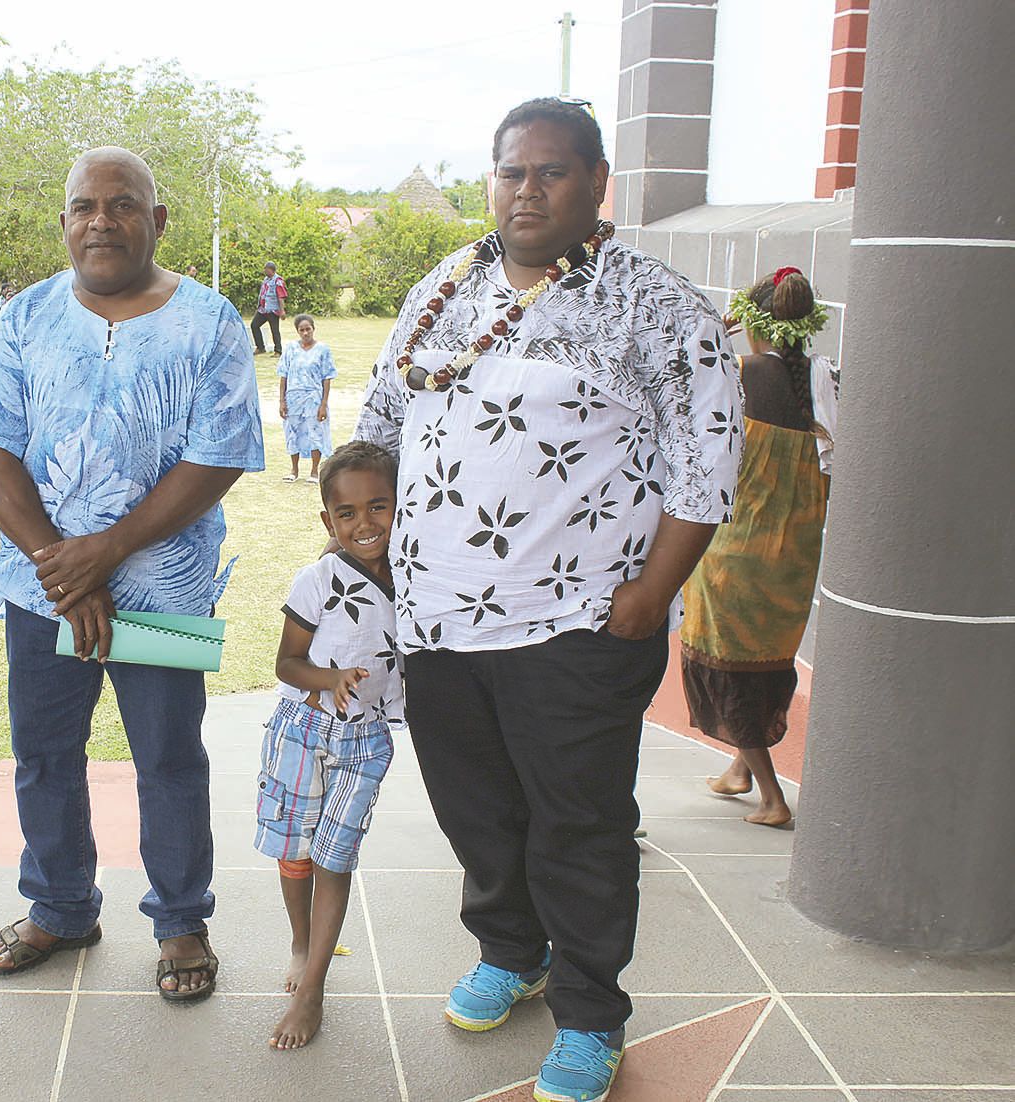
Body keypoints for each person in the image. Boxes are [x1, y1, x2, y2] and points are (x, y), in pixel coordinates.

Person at [352, 98, 742, 1101]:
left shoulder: (656, 305)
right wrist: (373, 552)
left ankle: (590, 1013)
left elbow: (707, 464)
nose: (527, 190)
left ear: (596, 183)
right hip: (439, 614)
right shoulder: (445, 284)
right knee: (478, 810)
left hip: (575, 621)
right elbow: (385, 419)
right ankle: (511, 950)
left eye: (552, 171)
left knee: (579, 826)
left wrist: (651, 594)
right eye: (510, 171)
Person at [0, 146, 263, 1002]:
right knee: (44, 753)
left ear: (156, 221)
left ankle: (180, 920)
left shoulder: (210, 321)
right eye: (84, 206)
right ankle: (58, 907)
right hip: (41, 587)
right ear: (64, 223)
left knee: (168, 755)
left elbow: (217, 456)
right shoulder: (24, 317)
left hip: (165, 585)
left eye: (121, 204)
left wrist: (110, 550)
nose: (101, 220)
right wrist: (69, 570)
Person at [259, 440, 402, 1050]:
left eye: (379, 507)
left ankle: (313, 986)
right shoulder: (317, 580)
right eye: (347, 514)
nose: (364, 524)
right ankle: (301, 942)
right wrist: (329, 678)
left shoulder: (423, 576)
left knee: (333, 858)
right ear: (328, 520)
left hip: (365, 742)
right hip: (301, 729)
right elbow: (287, 663)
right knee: (295, 853)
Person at [684, 268, 838, 829]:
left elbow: (680, 376)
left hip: (736, 554)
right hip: (793, 561)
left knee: (727, 667)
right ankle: (739, 771)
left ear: (752, 322)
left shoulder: (740, 373)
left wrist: (719, 330)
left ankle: (773, 799)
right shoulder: (823, 378)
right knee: (760, 664)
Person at [277, 313, 336, 483]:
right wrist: (282, 401)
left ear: (313, 329)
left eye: (308, 329)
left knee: (315, 432)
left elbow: (327, 377)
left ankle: (314, 471)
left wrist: (323, 404)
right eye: (301, 330)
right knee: (292, 432)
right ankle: (294, 470)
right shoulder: (290, 349)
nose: (305, 333)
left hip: (313, 398)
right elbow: (283, 375)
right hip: (293, 397)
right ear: (297, 331)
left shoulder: (323, 350)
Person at [252, 261, 287, 355]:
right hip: (263, 310)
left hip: (273, 310)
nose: (264, 271)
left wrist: (282, 310)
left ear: (271, 270)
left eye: (266, 269)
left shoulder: (278, 281)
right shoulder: (266, 279)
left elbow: (281, 296)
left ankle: (278, 351)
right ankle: (260, 347)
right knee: (254, 325)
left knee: (274, 330)